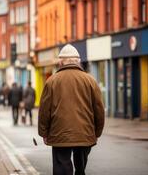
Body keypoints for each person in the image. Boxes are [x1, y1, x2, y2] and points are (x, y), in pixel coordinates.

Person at [38, 44, 105, 175]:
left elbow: (44, 110)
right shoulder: (90, 80)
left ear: (61, 62)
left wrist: (44, 132)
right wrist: (97, 132)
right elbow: (99, 109)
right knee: (81, 167)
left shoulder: (51, 81)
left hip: (59, 133)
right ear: (78, 61)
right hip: (85, 132)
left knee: (62, 167)